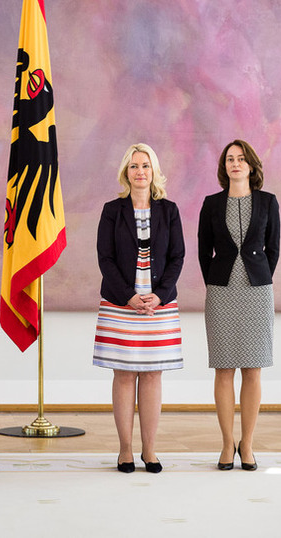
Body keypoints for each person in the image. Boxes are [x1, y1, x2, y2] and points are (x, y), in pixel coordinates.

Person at [93, 143, 185, 474]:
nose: (140, 171)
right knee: (124, 374)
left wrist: (159, 295)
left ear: (153, 171)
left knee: (152, 374)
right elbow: (105, 257)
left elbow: (177, 256)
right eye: (133, 166)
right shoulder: (111, 210)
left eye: (145, 165)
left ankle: (150, 450)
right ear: (125, 173)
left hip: (159, 305)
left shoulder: (169, 210)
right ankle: (125, 450)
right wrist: (128, 296)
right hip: (121, 304)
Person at [197, 139, 280, 472]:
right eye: (230, 159)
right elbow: (204, 252)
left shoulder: (268, 202)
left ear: (251, 165)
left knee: (253, 370)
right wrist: (216, 279)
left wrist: (258, 276)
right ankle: (226, 443)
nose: (235, 164)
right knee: (223, 369)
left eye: (241, 158)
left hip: (258, 292)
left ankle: (247, 443)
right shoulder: (211, 204)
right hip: (221, 292)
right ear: (224, 166)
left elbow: (273, 249)